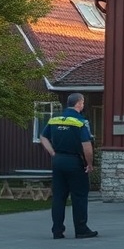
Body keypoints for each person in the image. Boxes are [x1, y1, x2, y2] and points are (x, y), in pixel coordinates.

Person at [39, 92, 97, 239]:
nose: (83, 105)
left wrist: (52, 153)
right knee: (79, 196)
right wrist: (89, 164)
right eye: (82, 103)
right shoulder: (80, 122)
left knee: (59, 197)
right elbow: (87, 145)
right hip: (74, 161)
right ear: (78, 103)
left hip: (58, 160)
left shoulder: (54, 119)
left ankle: (57, 231)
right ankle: (81, 229)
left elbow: (43, 136)